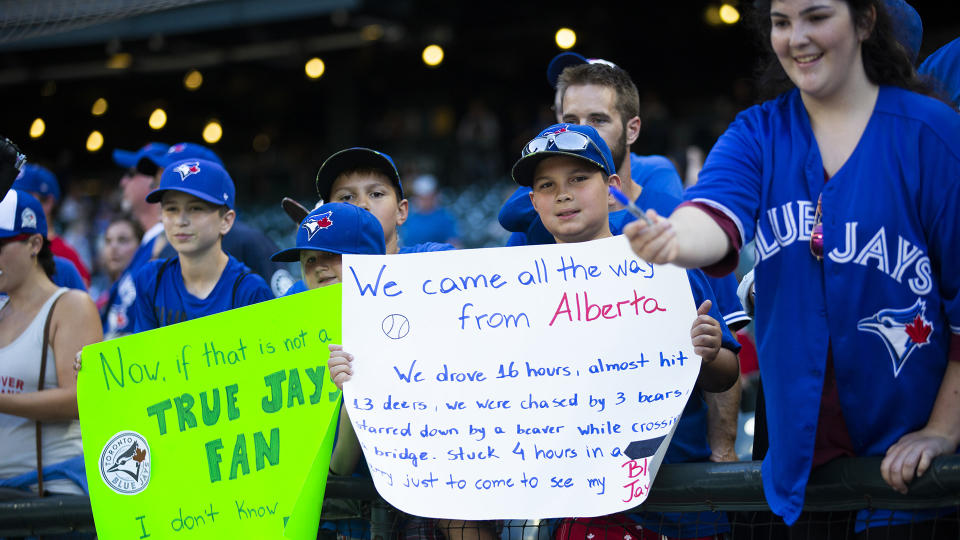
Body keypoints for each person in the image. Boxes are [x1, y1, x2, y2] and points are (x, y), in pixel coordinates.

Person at [624, 0, 960, 535]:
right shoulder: (760, 132)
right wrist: (674, 239)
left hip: (911, 473)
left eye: (816, 16)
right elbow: (715, 212)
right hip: (801, 470)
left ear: (867, 22)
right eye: (782, 22)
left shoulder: (934, 134)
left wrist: (944, 430)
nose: (796, 37)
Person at [507, 123, 740, 539]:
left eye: (579, 178)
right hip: (578, 504)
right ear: (533, 201)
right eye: (547, 185)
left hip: (679, 501)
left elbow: (726, 374)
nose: (563, 193)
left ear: (613, 187)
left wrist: (707, 351)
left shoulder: (668, 265)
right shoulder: (517, 289)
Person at [0, 189, 102, 496]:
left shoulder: (71, 305)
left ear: (34, 244)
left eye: (1, 245)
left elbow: (81, 400)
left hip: (52, 498)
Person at [284, 147, 455, 296]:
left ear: (401, 211)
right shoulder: (304, 290)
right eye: (346, 197)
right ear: (326, 214)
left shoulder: (437, 261)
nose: (362, 205)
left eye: (376, 194)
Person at [136, 142, 295, 296]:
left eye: (178, 174)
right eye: (158, 182)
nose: (157, 188)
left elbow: (287, 312)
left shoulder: (250, 243)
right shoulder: (165, 256)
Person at [131, 159, 271, 332]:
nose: (180, 221)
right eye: (171, 209)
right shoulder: (150, 279)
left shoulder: (250, 290)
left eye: (196, 208)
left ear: (226, 221)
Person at [13, 164, 91, 286]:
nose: (15, 201)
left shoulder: (66, 255)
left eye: (24, 196)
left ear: (48, 203)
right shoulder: (6, 245)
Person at [98, 216, 143, 338]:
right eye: (108, 241)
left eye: (122, 240)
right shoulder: (102, 298)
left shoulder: (145, 289)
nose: (113, 247)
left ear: (140, 246)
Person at [400, 174, 460, 248]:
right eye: (422, 197)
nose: (425, 201)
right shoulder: (408, 216)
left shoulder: (444, 217)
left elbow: (454, 243)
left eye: (428, 197)